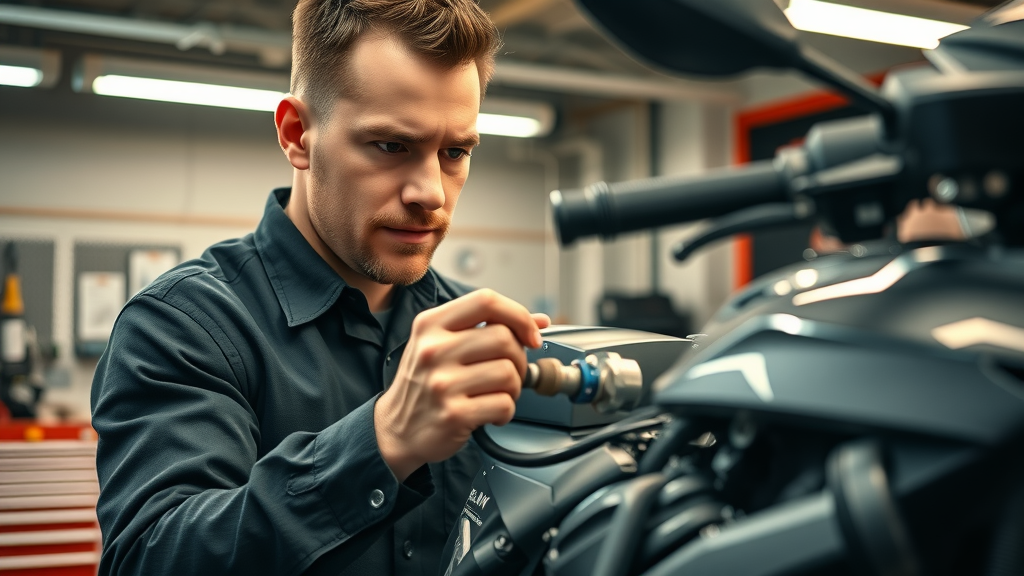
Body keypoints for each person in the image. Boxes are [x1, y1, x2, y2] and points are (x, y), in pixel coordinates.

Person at [90, 1, 550, 574]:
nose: (431, 192)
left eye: (455, 152)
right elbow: (149, 559)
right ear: (297, 134)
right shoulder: (183, 326)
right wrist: (381, 442)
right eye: (391, 146)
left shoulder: (475, 330)